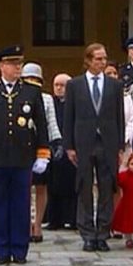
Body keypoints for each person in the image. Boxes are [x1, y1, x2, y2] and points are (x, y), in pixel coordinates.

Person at [0, 46, 50, 265]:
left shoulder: (31, 91)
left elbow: (41, 125)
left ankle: (20, 248)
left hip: (22, 156)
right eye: (13, 64)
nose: (17, 68)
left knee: (21, 204)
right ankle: (2, 249)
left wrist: (42, 153)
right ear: (1, 66)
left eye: (19, 64)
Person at [63, 43, 125, 253]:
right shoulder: (75, 85)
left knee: (107, 187)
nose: (102, 62)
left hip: (107, 141)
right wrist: (69, 146)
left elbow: (119, 116)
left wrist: (119, 146)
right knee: (84, 186)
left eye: (104, 58)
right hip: (84, 141)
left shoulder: (115, 85)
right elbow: (69, 116)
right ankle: (88, 233)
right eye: (98, 59)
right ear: (88, 60)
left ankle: (103, 232)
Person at [21, 62, 61, 244]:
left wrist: (57, 141)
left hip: (41, 145)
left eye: (35, 79)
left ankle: (37, 224)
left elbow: (51, 122)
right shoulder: (18, 96)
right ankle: (26, 222)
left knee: (41, 186)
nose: (32, 82)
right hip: (22, 146)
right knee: (24, 186)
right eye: (28, 79)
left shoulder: (46, 99)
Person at [105, 60, 133, 240]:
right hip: (103, 146)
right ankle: (105, 222)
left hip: (123, 148)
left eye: (114, 74)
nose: (112, 77)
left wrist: (122, 142)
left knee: (120, 186)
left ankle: (119, 223)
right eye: (108, 73)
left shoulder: (125, 97)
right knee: (105, 186)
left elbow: (130, 120)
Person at [46, 73, 77, 230]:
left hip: (72, 149)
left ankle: (73, 219)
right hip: (54, 149)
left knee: (72, 186)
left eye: (62, 85)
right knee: (53, 185)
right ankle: (54, 219)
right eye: (56, 85)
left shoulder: (76, 103)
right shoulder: (50, 104)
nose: (58, 88)